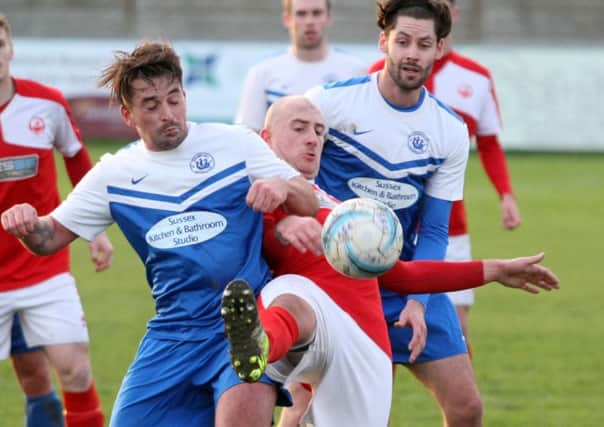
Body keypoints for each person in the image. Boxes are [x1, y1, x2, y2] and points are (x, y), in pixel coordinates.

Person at [1, 40, 319, 427]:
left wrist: (283, 188)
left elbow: (307, 200)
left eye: (174, 99)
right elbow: (47, 238)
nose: (168, 113)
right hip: (173, 333)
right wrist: (26, 224)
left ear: (185, 96)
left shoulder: (235, 143)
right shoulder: (114, 174)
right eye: (151, 105)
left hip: (243, 327)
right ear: (128, 114)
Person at [220, 96, 559, 426]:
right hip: (304, 326)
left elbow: (404, 276)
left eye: (320, 131)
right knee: (292, 296)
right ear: (266, 138)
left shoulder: (339, 209)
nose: (313, 139)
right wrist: (282, 225)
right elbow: (243, 239)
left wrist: (495, 270)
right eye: (299, 128)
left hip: (363, 344)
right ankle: (259, 344)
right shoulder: (250, 192)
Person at [305, 0, 486, 425]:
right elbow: (288, 173)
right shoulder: (331, 104)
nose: (412, 53)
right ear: (383, 40)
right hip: (338, 281)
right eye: (402, 41)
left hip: (406, 278)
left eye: (424, 44)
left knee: (467, 407)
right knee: (322, 412)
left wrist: (419, 302)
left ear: (440, 48)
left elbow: (437, 229)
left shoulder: (448, 130)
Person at [368, 0, 521, 356]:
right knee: (381, 337)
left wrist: (506, 195)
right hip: (388, 227)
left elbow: (488, 142)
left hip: (449, 225)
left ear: (453, 14)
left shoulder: (477, 77)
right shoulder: (380, 71)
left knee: (457, 329)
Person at [0, 14, 112, 427]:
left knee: (75, 369)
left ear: (10, 48)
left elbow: (78, 160)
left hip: (43, 269)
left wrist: (94, 229)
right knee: (32, 376)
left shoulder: (46, 104)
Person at [235, 0, 367, 132]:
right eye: (301, 14)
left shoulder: (356, 71)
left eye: (317, 13)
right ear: (287, 19)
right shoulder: (261, 72)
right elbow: (248, 134)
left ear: (328, 18)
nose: (309, 21)